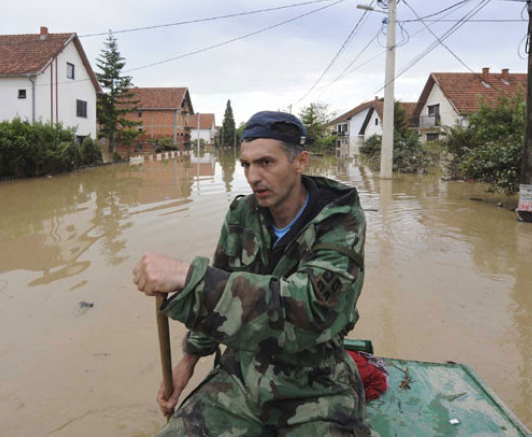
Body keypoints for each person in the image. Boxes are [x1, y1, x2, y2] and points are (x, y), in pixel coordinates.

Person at [133, 111, 371, 436]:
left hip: (314, 383)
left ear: (300, 161)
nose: (252, 176)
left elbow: (309, 310)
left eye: (266, 163)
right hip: (241, 374)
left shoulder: (340, 221)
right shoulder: (242, 214)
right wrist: (186, 365)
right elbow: (221, 288)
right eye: (246, 164)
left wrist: (191, 279)